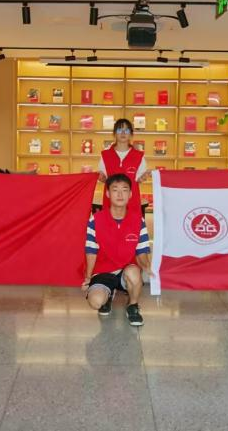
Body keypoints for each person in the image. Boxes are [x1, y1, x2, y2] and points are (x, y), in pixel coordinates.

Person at [82, 174, 150, 326]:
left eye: (124, 190)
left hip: (126, 270)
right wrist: (88, 277)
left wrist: (147, 267)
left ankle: (132, 305)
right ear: (107, 193)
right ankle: (107, 296)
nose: (120, 194)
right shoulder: (95, 220)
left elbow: (142, 250)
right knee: (96, 302)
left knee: (134, 273)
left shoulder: (138, 220)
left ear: (130, 194)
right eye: (115, 190)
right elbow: (91, 250)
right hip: (103, 271)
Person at [98, 118, 149, 214]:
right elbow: (104, 178)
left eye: (127, 130)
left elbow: (139, 179)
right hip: (111, 202)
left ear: (131, 134)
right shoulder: (105, 155)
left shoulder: (139, 156)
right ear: (114, 133)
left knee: (132, 223)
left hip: (132, 202)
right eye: (119, 130)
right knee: (109, 223)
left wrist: (143, 177)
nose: (123, 133)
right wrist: (101, 177)